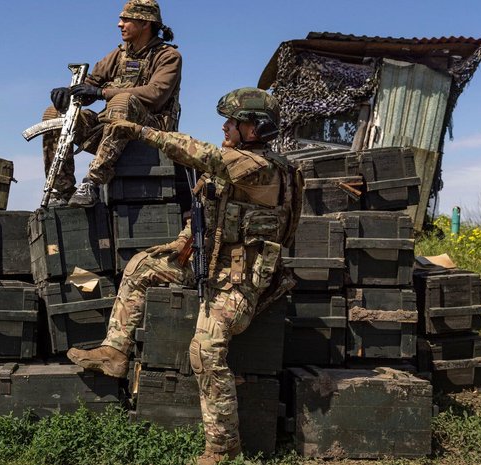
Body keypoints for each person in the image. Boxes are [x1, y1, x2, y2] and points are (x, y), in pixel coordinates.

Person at [67, 88, 301, 464]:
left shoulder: (262, 168)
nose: (225, 126)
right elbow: (206, 213)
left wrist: (138, 130)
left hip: (239, 281)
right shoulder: (237, 163)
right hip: (208, 263)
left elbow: (198, 152)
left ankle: (223, 450)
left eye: (233, 121)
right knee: (141, 266)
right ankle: (115, 351)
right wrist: (182, 247)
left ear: (255, 128)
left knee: (205, 352)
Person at [41, 0, 181, 207]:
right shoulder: (118, 55)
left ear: (145, 23)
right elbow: (90, 86)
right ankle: (62, 189)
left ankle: (92, 182)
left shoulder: (168, 56)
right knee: (53, 114)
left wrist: (104, 92)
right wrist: (69, 93)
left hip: (151, 133)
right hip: (111, 129)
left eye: (126, 19)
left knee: (122, 100)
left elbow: (155, 94)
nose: (119, 24)